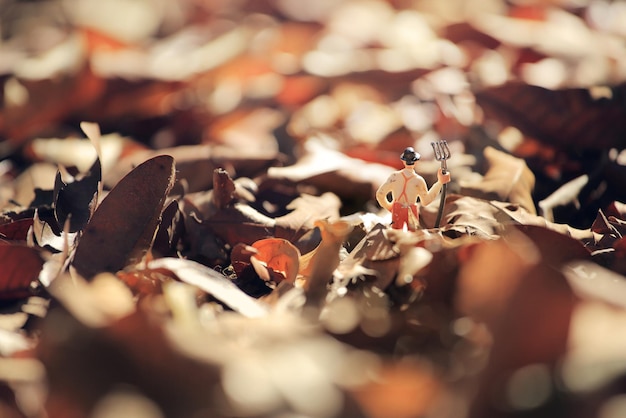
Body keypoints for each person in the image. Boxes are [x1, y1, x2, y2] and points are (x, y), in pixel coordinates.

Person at [376, 147, 451, 231]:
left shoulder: (394, 176)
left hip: (397, 209)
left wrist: (389, 206)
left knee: (395, 234)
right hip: (411, 211)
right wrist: (440, 183)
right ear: (415, 162)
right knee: (412, 235)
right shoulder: (418, 180)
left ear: (403, 161)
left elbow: (380, 194)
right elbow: (426, 201)